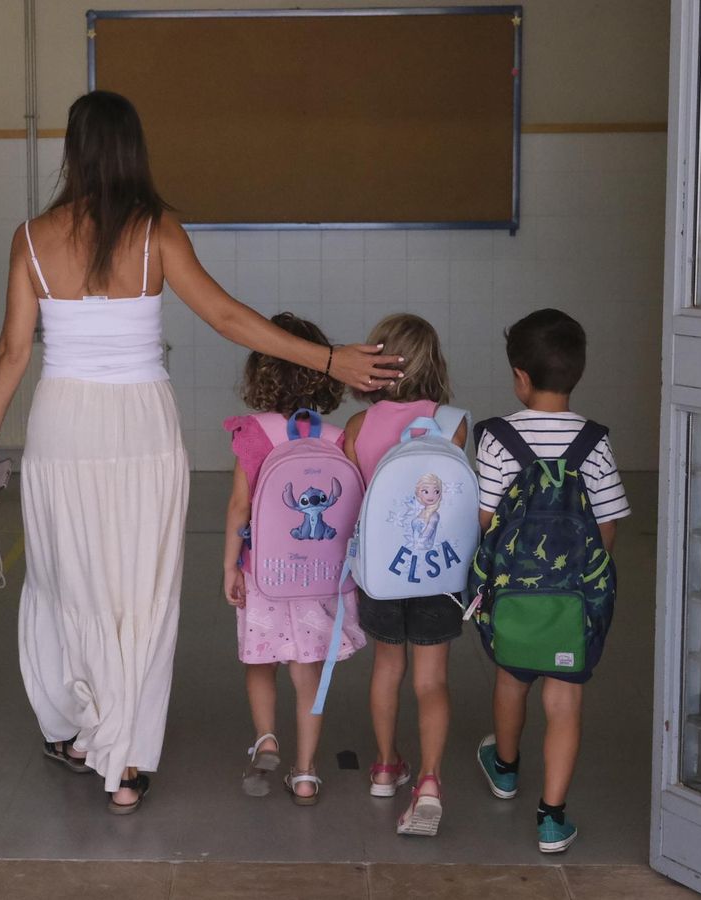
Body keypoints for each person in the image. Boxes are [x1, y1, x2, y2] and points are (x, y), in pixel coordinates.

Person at [0, 90, 401, 814]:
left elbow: (14, 352)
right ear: (134, 149)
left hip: (62, 425)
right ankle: (127, 764)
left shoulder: (31, 237)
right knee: (142, 588)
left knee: (72, 582)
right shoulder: (157, 231)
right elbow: (230, 317)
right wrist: (329, 361)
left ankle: (85, 729)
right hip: (141, 423)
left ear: (73, 151)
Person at [472, 308, 629, 852]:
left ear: (520, 376)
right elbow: (606, 528)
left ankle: (507, 768)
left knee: (511, 682)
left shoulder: (494, 440)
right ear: (577, 373)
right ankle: (552, 816)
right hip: (571, 605)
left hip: (512, 599)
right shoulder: (596, 442)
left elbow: (487, 523)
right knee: (564, 703)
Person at [223, 313, 366, 806]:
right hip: (319, 578)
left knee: (260, 661)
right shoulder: (335, 438)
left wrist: (228, 567)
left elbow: (240, 507)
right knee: (309, 673)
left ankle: (266, 738)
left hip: (263, 574)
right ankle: (306, 774)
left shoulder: (251, 432)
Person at [341, 314, 468, 836]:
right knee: (431, 679)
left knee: (388, 669)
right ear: (433, 363)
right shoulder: (455, 421)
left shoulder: (356, 428)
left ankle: (386, 766)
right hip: (439, 573)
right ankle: (432, 780)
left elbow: (353, 507)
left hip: (382, 575)